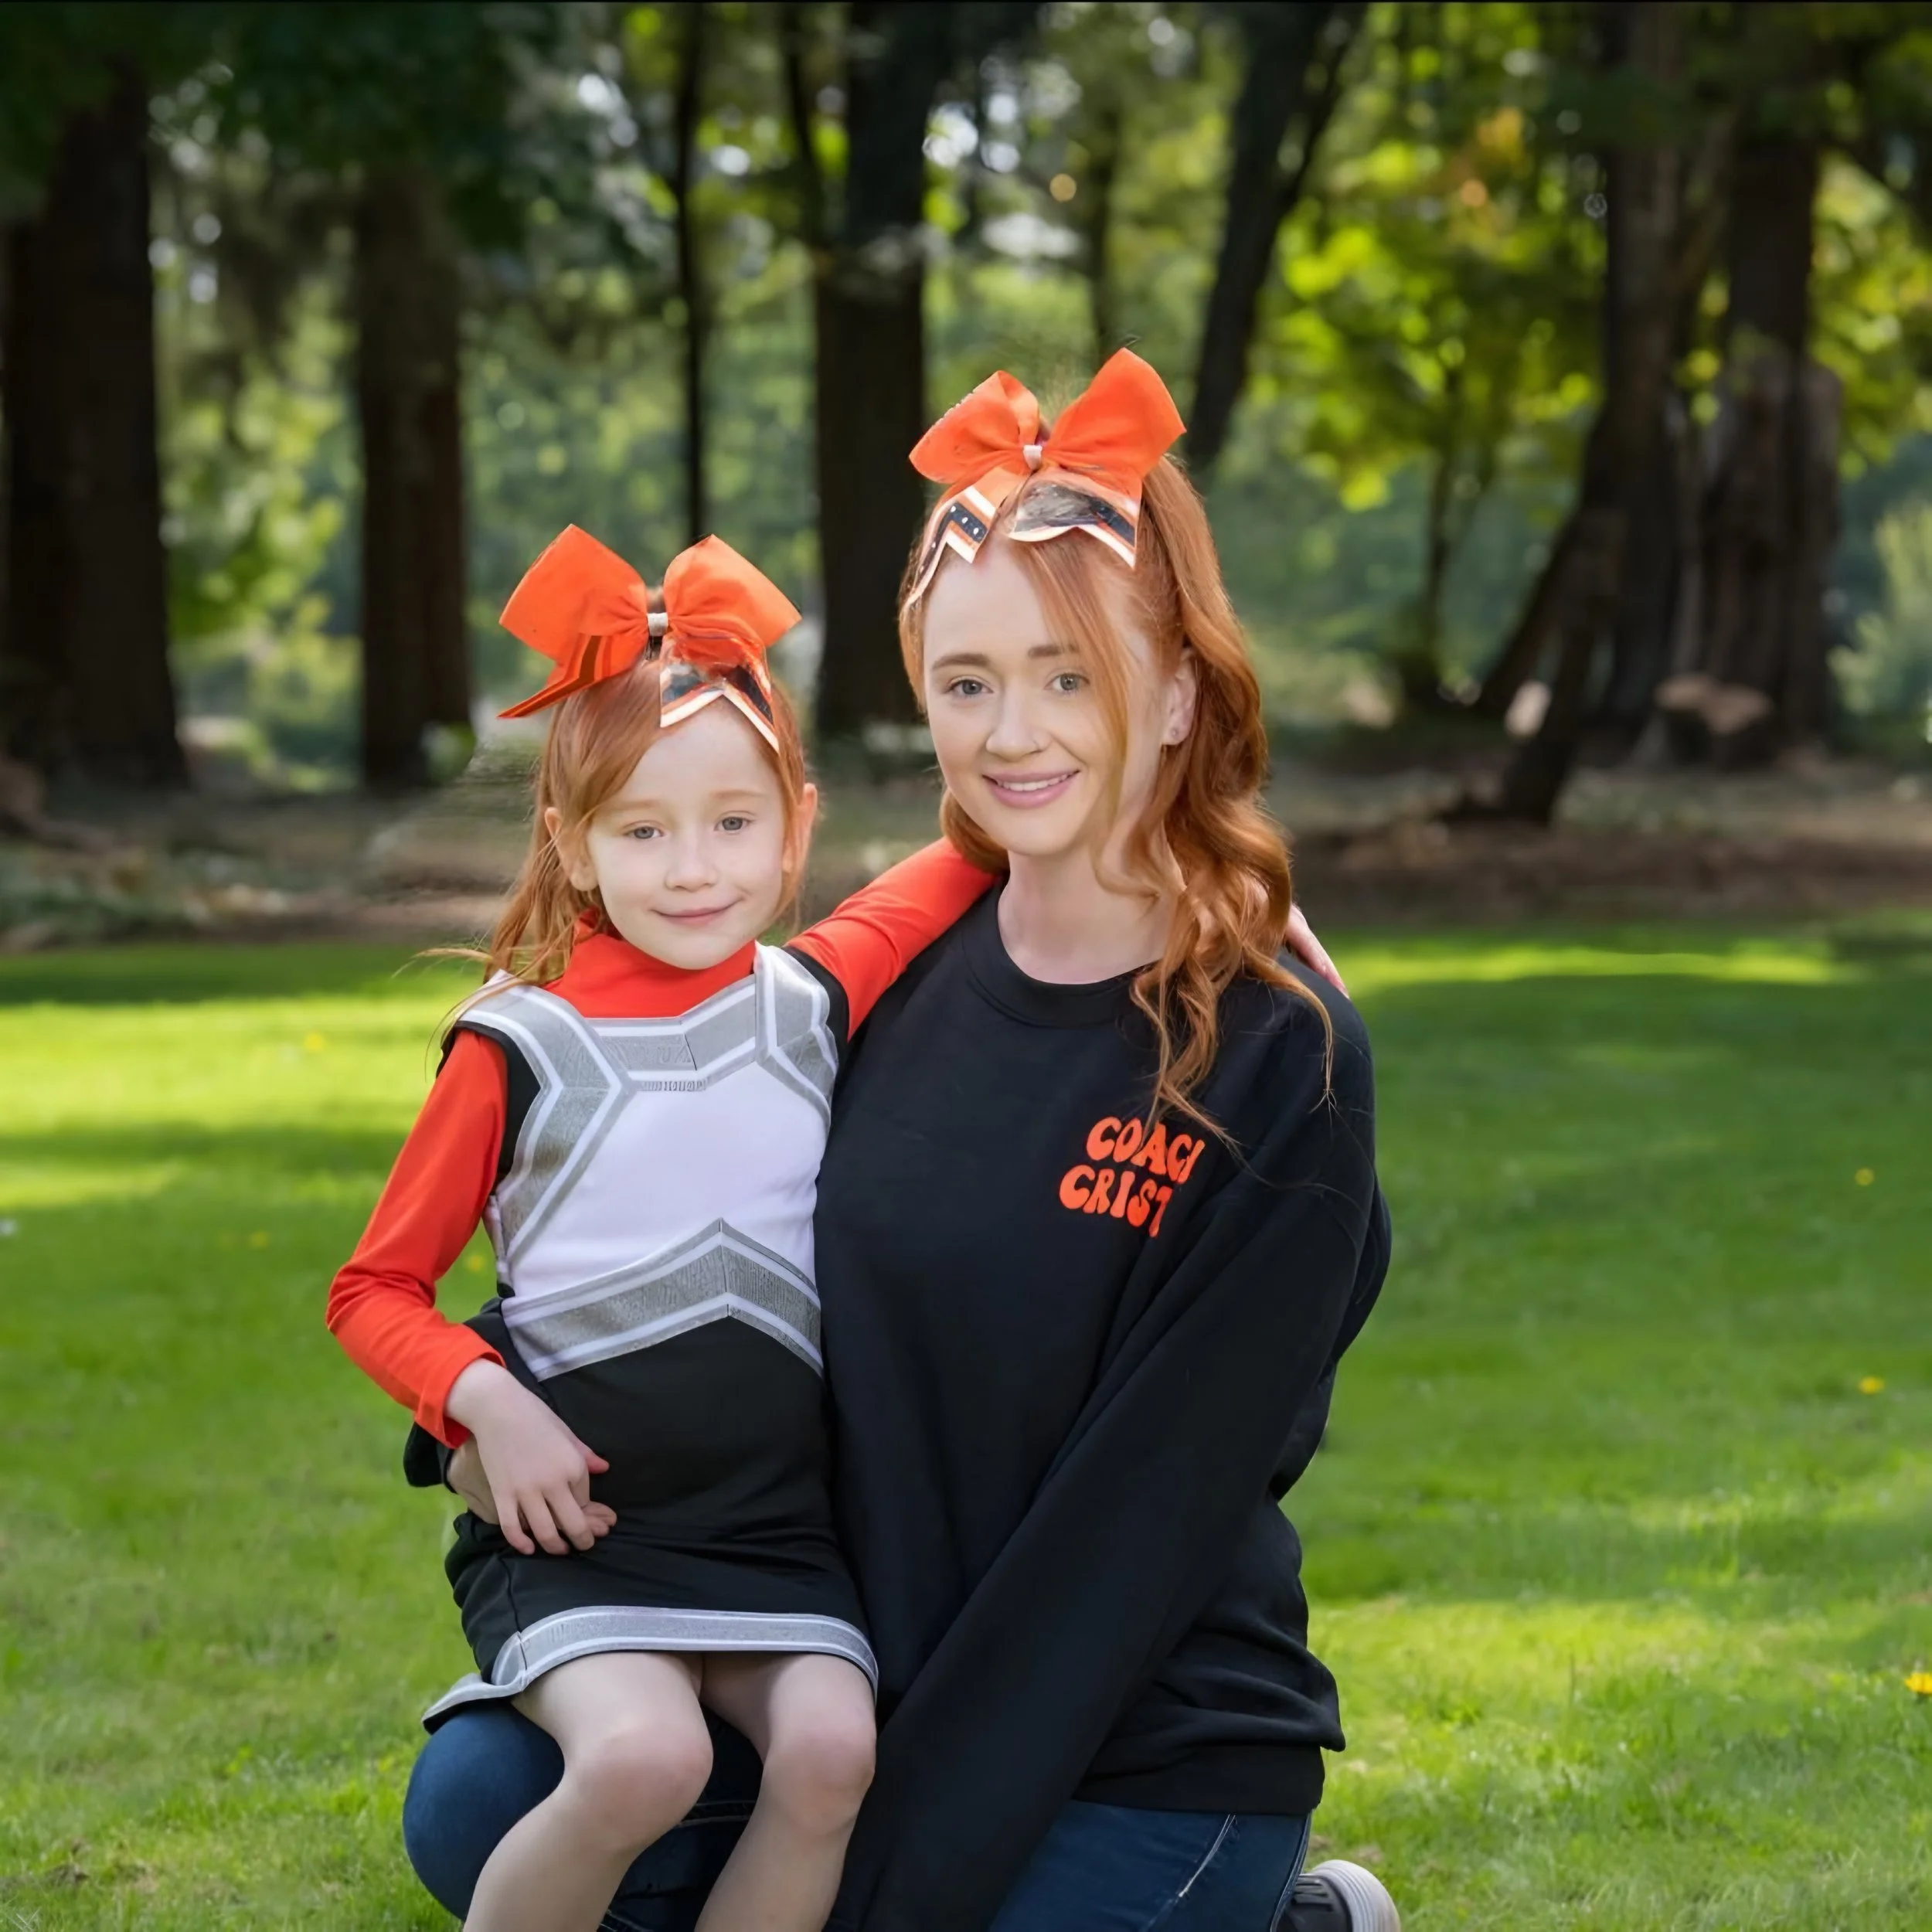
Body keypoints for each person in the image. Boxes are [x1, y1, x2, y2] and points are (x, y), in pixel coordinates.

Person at [400, 351, 1397, 1932]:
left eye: (1073, 674)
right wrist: (479, 1405)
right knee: (479, 1807)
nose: (1015, 732)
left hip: (1132, 1735)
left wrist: (890, 1879)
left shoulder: (1274, 1051)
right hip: (843, 1650)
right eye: (967, 676)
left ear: (1183, 693)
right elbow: (660, 1213)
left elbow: (1127, 1538)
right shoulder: (869, 991)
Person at [327, 527, 998, 1932]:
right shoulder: (518, 1046)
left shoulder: (813, 995)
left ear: (796, 823)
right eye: (643, 830)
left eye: (733, 824)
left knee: (831, 1751)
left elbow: (990, 838)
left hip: (774, 1532)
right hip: (587, 1538)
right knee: (646, 1756)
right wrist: (484, 1409)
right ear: (572, 841)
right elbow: (376, 1288)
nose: (694, 868)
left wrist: (1239, 893)